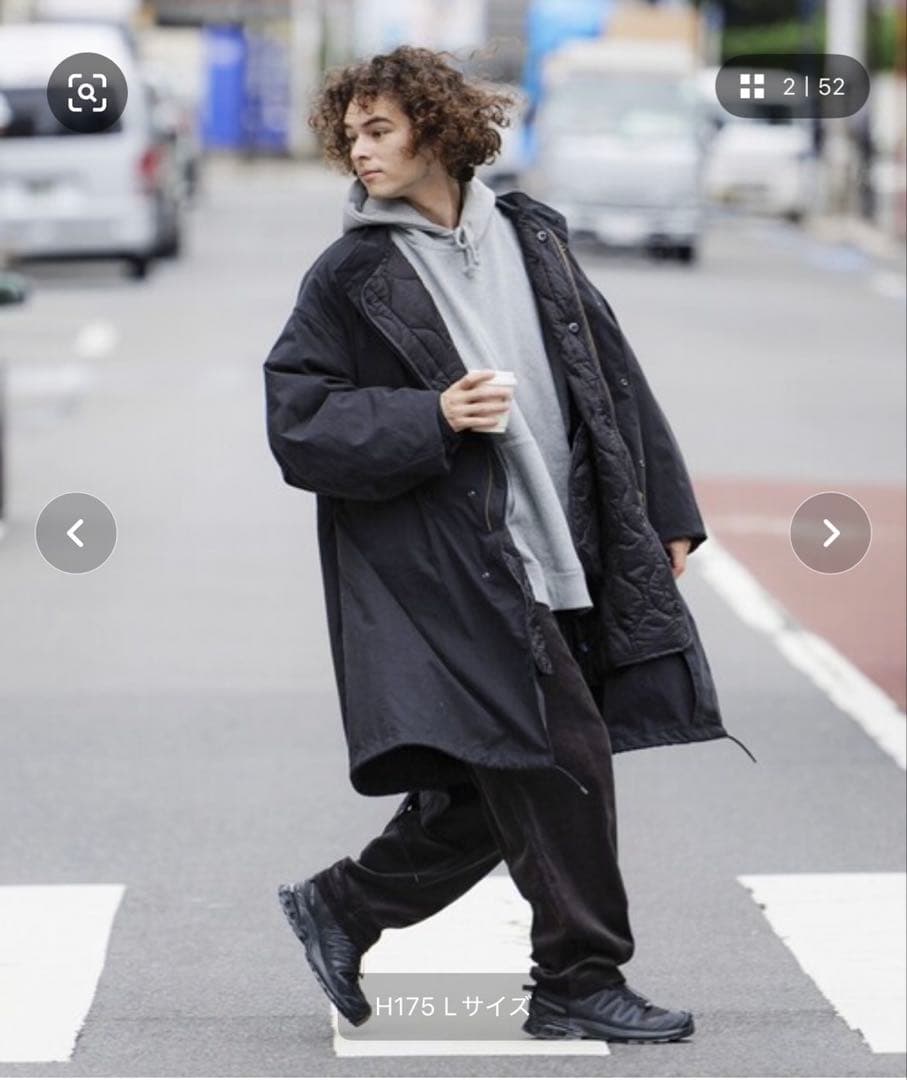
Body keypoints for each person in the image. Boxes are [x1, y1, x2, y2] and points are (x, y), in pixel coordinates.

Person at [263, 44, 755, 1044]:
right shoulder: (351, 275)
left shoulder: (533, 237)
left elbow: (612, 379)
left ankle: (347, 904)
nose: (360, 152)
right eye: (350, 136)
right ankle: (577, 978)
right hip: (451, 567)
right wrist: (431, 414)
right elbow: (298, 421)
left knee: (507, 771)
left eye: (379, 130)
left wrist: (664, 511)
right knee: (564, 758)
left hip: (564, 541)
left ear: (439, 131)